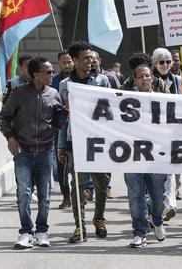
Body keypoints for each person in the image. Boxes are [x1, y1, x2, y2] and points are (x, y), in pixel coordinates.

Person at [0, 57, 66, 249]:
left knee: (45, 194)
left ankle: (42, 231)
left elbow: (58, 123)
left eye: (53, 72)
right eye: (48, 72)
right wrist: (10, 137)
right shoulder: (19, 93)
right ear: (36, 74)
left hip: (45, 152)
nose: (52, 75)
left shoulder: (54, 94)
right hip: (23, 152)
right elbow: (4, 117)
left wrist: (65, 112)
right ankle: (26, 232)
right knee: (24, 193)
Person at [57, 41, 112, 243]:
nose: (90, 61)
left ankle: (99, 217)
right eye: (86, 58)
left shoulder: (102, 81)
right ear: (75, 61)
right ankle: (80, 226)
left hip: (99, 140)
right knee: (77, 185)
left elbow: (111, 111)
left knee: (102, 183)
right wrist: (61, 145)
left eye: (92, 58)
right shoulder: (65, 85)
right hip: (75, 141)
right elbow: (63, 119)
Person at [124, 64, 170, 248]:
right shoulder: (124, 101)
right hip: (132, 155)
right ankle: (139, 232)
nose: (145, 79)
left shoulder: (163, 100)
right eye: (141, 76)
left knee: (158, 196)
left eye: (148, 76)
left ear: (153, 78)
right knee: (135, 197)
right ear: (135, 80)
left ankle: (157, 220)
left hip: (157, 156)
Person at [151, 47, 182, 221]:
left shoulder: (177, 80)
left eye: (168, 62)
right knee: (155, 171)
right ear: (155, 63)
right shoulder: (149, 79)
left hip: (171, 130)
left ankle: (169, 205)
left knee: (170, 169)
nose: (165, 65)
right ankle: (155, 207)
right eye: (161, 62)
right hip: (154, 131)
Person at [51, 51, 74, 210]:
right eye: (64, 62)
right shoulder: (55, 82)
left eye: (69, 62)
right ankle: (66, 196)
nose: (67, 65)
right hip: (60, 127)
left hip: (80, 129)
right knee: (62, 165)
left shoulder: (83, 80)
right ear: (59, 63)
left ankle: (85, 190)